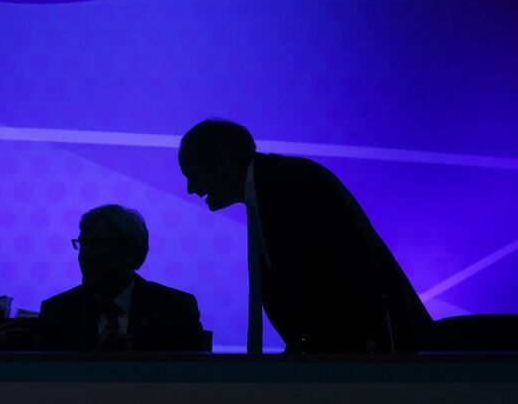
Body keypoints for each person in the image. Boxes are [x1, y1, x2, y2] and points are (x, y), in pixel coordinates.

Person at [178, 119, 432, 353]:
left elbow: (335, 280)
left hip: (359, 358)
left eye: (194, 174)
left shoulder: (290, 187)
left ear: (222, 161)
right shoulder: (276, 185)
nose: (191, 189)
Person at [38, 204, 206, 352]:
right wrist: (95, 365)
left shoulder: (175, 310)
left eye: (97, 244)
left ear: (131, 252)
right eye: (83, 244)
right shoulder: (57, 313)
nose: (85, 254)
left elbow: (197, 380)